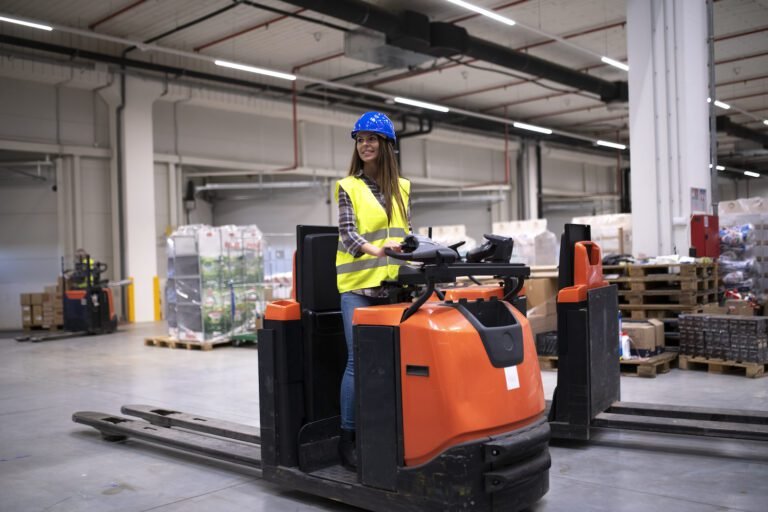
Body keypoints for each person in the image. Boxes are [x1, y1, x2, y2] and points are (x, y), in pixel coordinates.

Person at [335, 112, 411, 470]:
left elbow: (405, 233)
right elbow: (348, 235)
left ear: (386, 146)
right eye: (360, 139)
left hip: (392, 289)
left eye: (372, 138)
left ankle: (388, 430)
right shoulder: (348, 186)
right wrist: (376, 250)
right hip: (357, 289)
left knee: (393, 363)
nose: (365, 144)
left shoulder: (403, 188)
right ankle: (347, 438)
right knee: (358, 362)